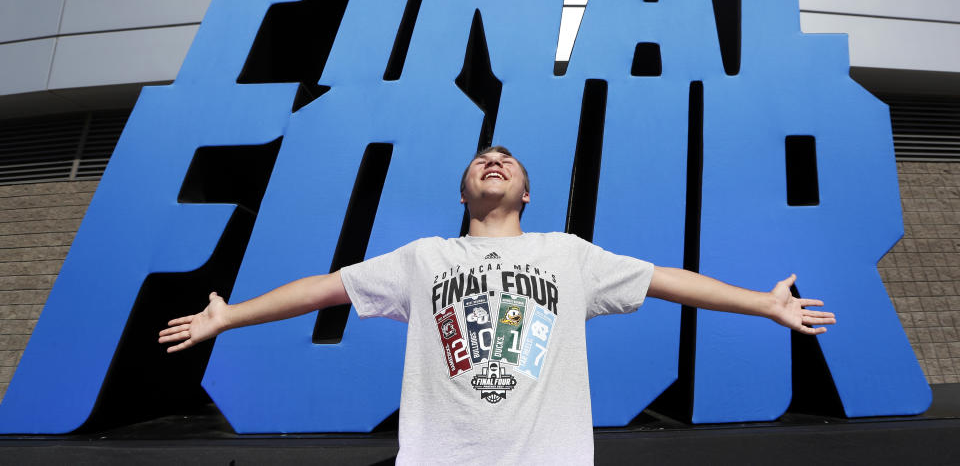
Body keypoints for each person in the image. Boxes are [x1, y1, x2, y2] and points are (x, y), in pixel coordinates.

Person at [159, 146, 835, 464]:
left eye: (507, 159)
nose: (494, 159)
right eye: (481, 157)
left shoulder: (568, 255)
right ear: (463, 192)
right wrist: (231, 314)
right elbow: (326, 288)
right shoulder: (423, 258)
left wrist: (761, 304)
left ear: (527, 193)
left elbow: (664, 279)